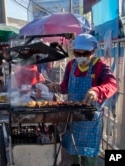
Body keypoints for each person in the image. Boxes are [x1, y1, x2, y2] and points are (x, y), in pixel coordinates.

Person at [48, 33, 117, 166]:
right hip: (73, 117)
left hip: (90, 119)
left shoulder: (100, 66)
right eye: (77, 54)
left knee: (90, 155)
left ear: (93, 51)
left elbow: (112, 85)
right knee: (74, 150)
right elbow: (65, 87)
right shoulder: (71, 65)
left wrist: (97, 90)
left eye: (85, 54)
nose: (80, 57)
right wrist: (55, 87)